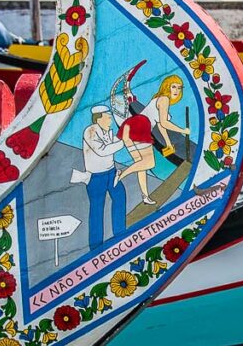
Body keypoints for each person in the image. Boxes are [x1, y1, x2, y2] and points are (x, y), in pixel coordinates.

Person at [116, 75, 190, 206]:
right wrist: (183, 131)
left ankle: (145, 196)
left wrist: (167, 143)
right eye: (173, 87)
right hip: (140, 126)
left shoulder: (158, 99)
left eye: (179, 88)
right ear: (166, 87)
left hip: (130, 126)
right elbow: (165, 123)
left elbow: (161, 127)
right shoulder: (164, 99)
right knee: (149, 163)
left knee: (141, 165)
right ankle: (121, 174)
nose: (176, 91)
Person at [72, 106, 127, 248]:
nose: (110, 120)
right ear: (99, 118)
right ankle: (96, 247)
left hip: (111, 173)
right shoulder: (90, 132)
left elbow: (114, 142)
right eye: (108, 117)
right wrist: (123, 142)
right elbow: (103, 150)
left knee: (120, 197)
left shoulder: (107, 131)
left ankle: (120, 235)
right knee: (97, 208)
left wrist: (125, 133)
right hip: (96, 177)